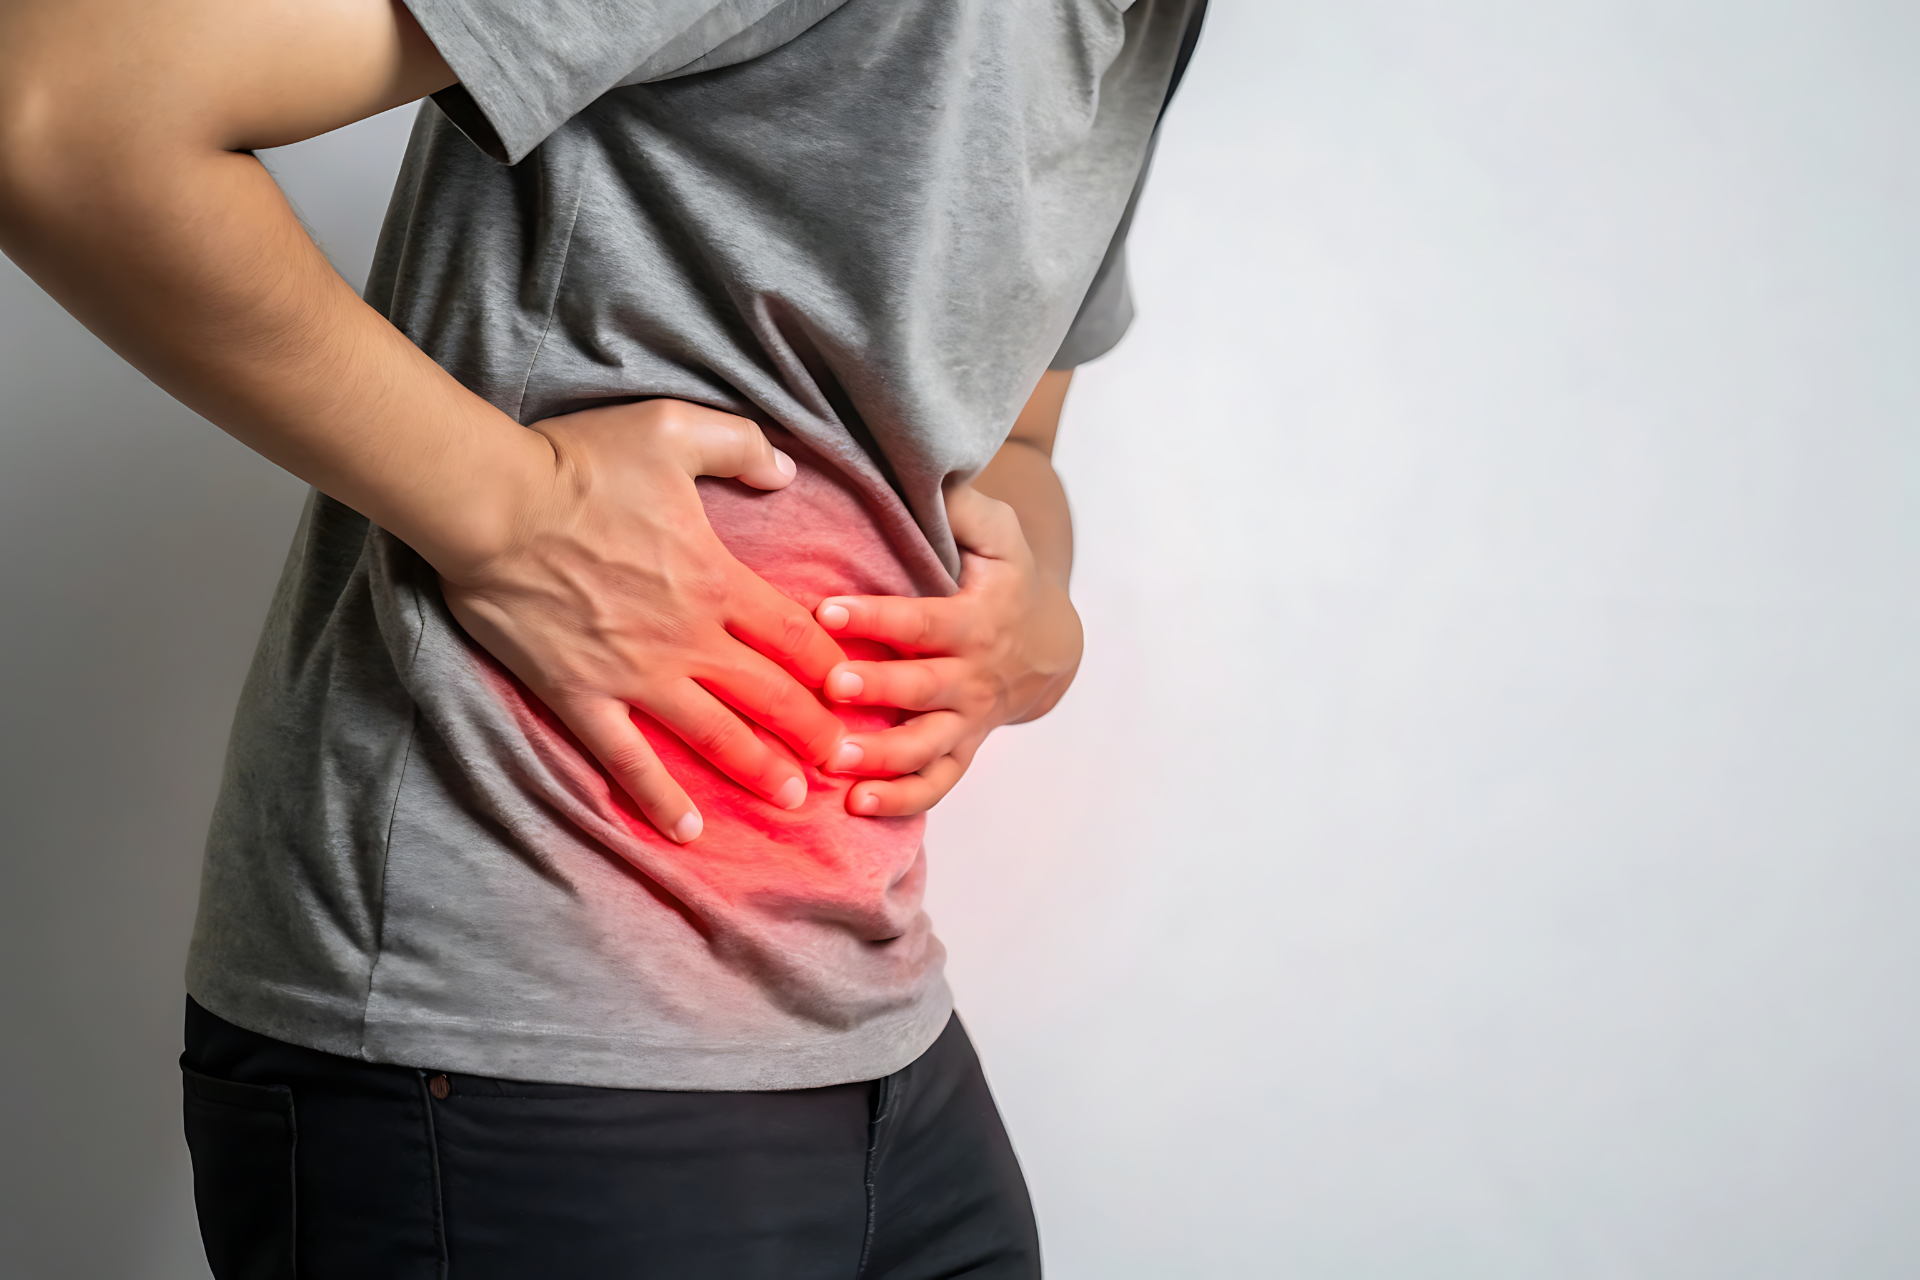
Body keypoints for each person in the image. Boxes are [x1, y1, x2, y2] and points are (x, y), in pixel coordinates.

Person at [0, 0, 1204, 1273]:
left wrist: (1037, 597)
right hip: (510, 1009)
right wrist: (514, 511)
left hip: (872, 1015)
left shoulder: (1155, 22)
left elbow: (1011, 430)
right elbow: (66, 114)